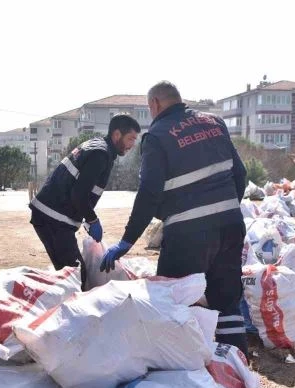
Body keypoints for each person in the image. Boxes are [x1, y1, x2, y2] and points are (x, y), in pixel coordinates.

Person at [101, 81, 249, 354]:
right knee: (227, 301)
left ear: (155, 104)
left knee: (173, 299)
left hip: (188, 234)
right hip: (230, 225)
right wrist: (224, 210)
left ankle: (178, 374)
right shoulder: (215, 123)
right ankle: (237, 373)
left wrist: (127, 240)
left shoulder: (157, 135)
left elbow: (149, 192)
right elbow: (240, 175)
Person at [30, 115, 140, 274]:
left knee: (71, 273)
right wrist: (92, 220)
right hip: (53, 218)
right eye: (130, 139)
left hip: (51, 215)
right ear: (117, 135)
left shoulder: (97, 147)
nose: (132, 145)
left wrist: (87, 218)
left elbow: (81, 190)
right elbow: (79, 194)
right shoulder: (100, 154)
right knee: (76, 275)